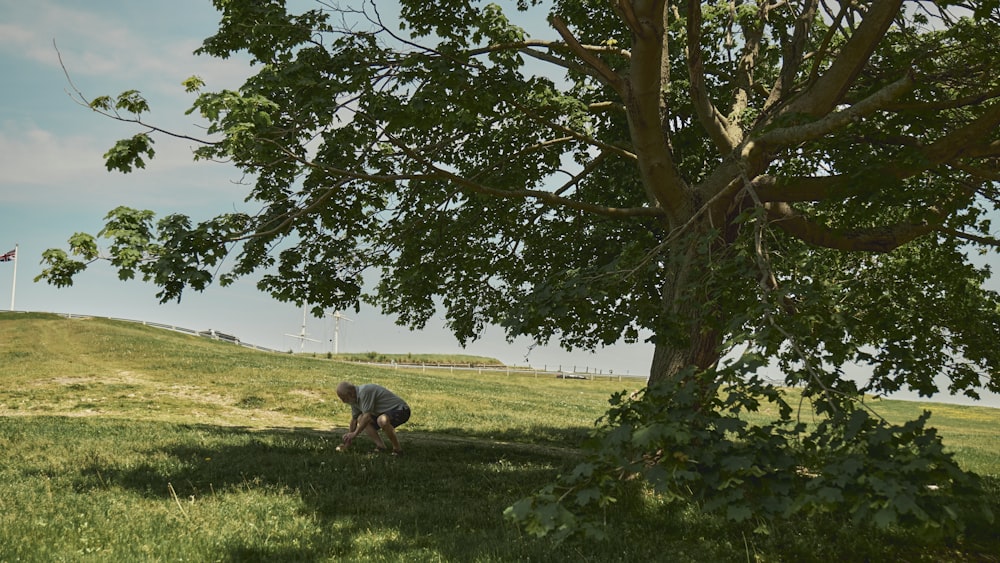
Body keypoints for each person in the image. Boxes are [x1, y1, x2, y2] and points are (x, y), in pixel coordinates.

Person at [335, 381, 410, 456]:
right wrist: (348, 441)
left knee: (381, 420)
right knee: (360, 418)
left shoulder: (364, 392)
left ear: (351, 393)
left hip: (401, 410)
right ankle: (381, 446)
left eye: (344, 398)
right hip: (383, 413)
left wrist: (355, 434)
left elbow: (367, 417)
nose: (343, 401)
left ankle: (397, 449)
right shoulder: (354, 400)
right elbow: (354, 420)